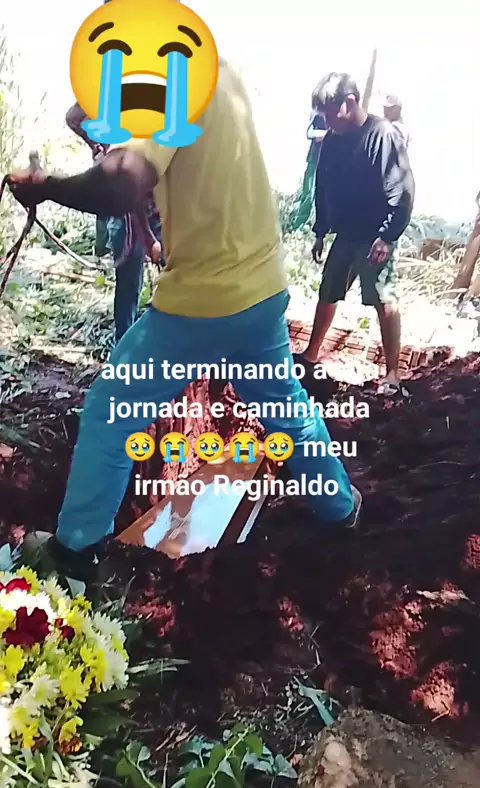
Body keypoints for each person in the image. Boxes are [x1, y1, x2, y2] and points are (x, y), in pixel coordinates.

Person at [9, 59, 362, 582]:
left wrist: (45, 186)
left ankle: (74, 553)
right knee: (284, 406)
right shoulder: (215, 71)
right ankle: (339, 506)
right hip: (261, 287)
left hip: (202, 300)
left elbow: (122, 183)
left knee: (111, 407)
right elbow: (99, 126)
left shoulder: (163, 87)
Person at [296, 72, 414, 396]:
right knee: (328, 291)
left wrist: (387, 236)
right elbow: (323, 186)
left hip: (374, 237)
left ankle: (393, 375)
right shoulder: (333, 140)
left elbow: (402, 191)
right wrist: (321, 230)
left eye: (330, 113)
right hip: (344, 234)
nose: (327, 120)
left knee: (383, 297)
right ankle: (311, 354)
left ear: (349, 103)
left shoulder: (382, 135)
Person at [66, 101, 165, 342]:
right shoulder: (110, 100)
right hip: (127, 212)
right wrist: (100, 147)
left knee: (175, 270)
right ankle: (124, 348)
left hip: (157, 206)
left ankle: (164, 339)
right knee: (129, 282)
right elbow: (73, 116)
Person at [291, 110, 328, 230]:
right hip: (315, 159)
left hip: (330, 161)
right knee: (309, 194)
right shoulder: (318, 113)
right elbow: (310, 133)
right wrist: (327, 134)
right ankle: (297, 226)